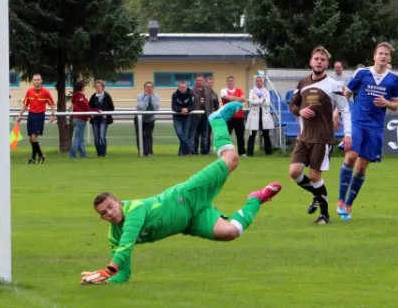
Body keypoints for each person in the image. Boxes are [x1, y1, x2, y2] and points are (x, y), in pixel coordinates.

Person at [80, 102, 282, 285]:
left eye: (110, 207)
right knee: (230, 233)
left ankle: (217, 120)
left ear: (119, 202)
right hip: (190, 221)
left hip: (187, 195)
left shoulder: (135, 210)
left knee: (232, 159)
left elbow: (128, 241)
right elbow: (123, 274)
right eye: (104, 213)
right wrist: (104, 281)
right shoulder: (114, 235)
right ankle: (255, 199)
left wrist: (109, 269)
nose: (110, 213)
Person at [288, 46, 351, 225]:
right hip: (304, 137)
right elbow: (292, 106)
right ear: (311, 61)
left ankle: (325, 215)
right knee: (294, 172)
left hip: (322, 138)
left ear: (327, 64)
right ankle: (317, 195)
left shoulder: (333, 85)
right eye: (316, 59)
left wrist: (348, 134)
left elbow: (345, 109)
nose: (319, 62)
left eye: (322, 60)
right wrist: (300, 111)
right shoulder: (302, 83)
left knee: (315, 176)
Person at [337, 42, 398, 221]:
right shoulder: (362, 73)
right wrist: (336, 113)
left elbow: (395, 104)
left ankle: (349, 204)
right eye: (380, 53)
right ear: (374, 56)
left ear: (389, 59)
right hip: (357, 123)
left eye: (387, 54)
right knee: (350, 157)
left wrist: (386, 103)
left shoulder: (393, 79)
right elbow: (346, 94)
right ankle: (340, 200)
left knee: (362, 166)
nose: (383, 56)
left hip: (375, 127)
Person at [16, 73, 55, 164]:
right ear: (32, 81)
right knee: (30, 139)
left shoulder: (45, 92)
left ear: (41, 81)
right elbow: (26, 104)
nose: (36, 81)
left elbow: (52, 104)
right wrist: (20, 114)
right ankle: (35, 158)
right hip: (31, 115)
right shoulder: (29, 92)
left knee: (34, 137)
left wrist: (52, 115)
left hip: (40, 116)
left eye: (38, 80)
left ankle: (40, 156)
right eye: (35, 80)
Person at [245, 75, 274, 156]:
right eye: (257, 81)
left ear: (263, 82)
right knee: (252, 135)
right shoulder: (252, 91)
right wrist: (261, 101)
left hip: (264, 115)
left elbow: (268, 103)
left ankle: (268, 153)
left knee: (266, 134)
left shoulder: (266, 91)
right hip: (254, 115)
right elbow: (251, 101)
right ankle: (249, 153)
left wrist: (257, 101)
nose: (258, 82)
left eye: (260, 81)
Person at [70, 81, 98, 158]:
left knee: (81, 138)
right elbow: (86, 109)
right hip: (80, 119)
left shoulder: (75, 97)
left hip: (76, 118)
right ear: (82, 87)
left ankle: (83, 154)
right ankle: (72, 154)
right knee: (77, 138)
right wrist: (96, 111)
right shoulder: (81, 98)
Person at [220, 76, 247, 156]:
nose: (230, 82)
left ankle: (242, 152)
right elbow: (228, 98)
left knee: (240, 136)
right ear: (226, 82)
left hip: (239, 117)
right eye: (229, 81)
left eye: (232, 81)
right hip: (228, 117)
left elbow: (244, 98)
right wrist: (239, 98)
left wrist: (234, 98)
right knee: (227, 136)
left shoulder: (239, 90)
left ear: (234, 82)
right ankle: (225, 152)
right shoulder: (223, 90)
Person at [88, 81, 115, 157]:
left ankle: (103, 154)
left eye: (99, 86)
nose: (98, 88)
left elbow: (112, 108)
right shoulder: (93, 97)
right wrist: (91, 115)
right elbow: (89, 107)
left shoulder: (107, 96)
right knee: (96, 138)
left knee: (102, 136)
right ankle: (98, 153)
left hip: (104, 119)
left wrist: (106, 114)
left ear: (103, 87)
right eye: (96, 86)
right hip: (95, 120)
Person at [190, 74, 215, 155]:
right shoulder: (191, 91)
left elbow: (211, 105)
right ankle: (194, 152)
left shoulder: (208, 92)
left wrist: (210, 114)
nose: (199, 82)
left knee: (205, 136)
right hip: (195, 116)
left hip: (205, 116)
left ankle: (204, 152)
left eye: (201, 80)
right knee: (195, 135)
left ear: (203, 81)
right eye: (198, 80)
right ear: (195, 81)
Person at [135, 82, 160, 156]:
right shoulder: (140, 96)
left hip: (150, 118)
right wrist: (146, 97)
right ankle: (141, 151)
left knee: (148, 135)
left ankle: (149, 151)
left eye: (151, 87)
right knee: (140, 135)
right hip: (139, 118)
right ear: (144, 88)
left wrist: (151, 97)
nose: (149, 88)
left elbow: (156, 107)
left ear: (153, 88)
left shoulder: (156, 96)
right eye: (147, 87)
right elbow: (142, 108)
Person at [171, 81, 195, 156]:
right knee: (179, 132)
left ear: (186, 87)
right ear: (178, 87)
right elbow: (174, 107)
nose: (183, 89)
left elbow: (192, 106)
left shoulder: (191, 94)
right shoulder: (174, 95)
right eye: (181, 87)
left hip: (187, 116)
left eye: (184, 87)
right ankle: (190, 148)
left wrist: (187, 110)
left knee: (185, 134)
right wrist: (181, 110)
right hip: (177, 117)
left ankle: (181, 153)